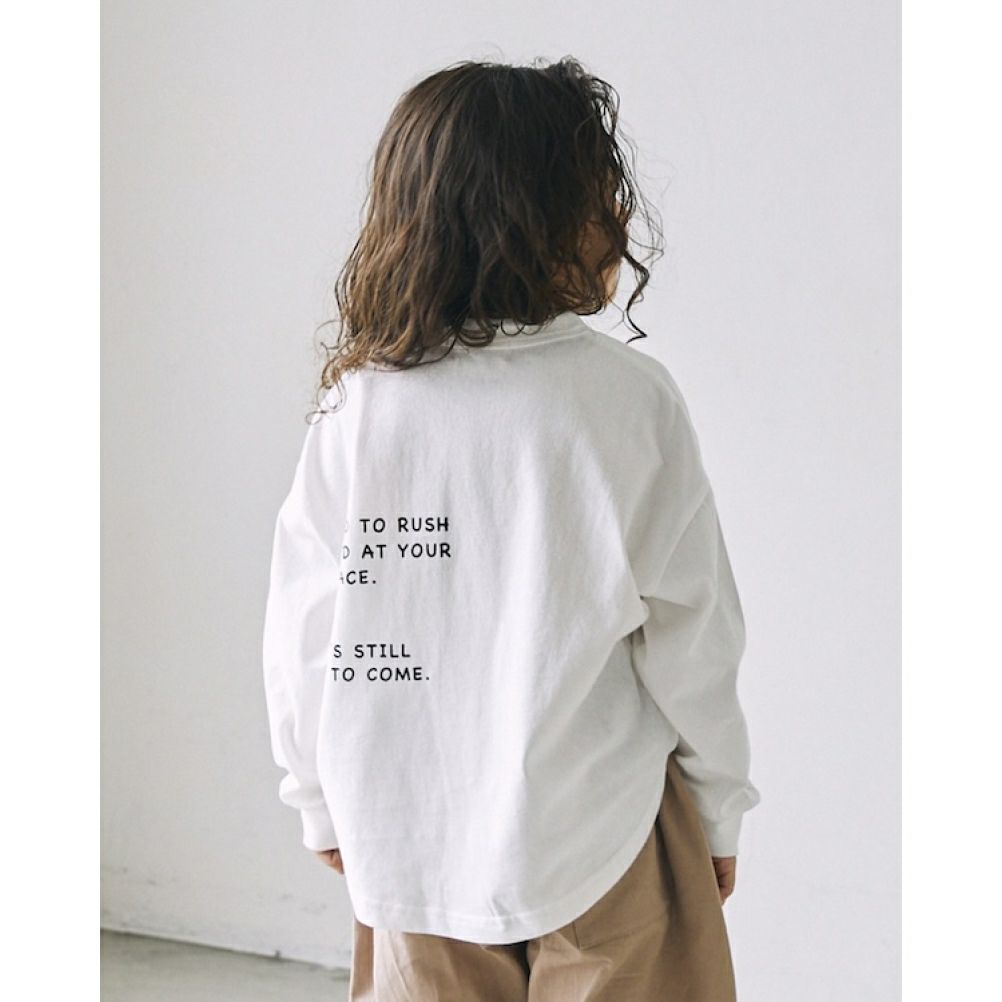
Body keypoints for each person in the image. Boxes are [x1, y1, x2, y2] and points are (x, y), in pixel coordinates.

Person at [262, 55, 762, 1001]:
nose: (621, 215)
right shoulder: (626, 400)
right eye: (602, 193)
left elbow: (307, 629)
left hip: (414, 840)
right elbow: (694, 634)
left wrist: (318, 796)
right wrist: (717, 809)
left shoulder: (360, 406)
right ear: (551, 218)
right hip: (604, 832)